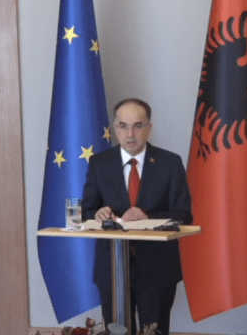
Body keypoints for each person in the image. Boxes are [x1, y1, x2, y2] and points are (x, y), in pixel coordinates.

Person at [82, 98, 192, 335]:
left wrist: (148, 215)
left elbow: (184, 215)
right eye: (123, 126)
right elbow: (86, 211)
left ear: (149, 128)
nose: (130, 134)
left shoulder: (169, 163)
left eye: (137, 126)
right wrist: (98, 214)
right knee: (116, 332)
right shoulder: (100, 163)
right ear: (115, 128)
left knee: (154, 331)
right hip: (112, 269)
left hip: (157, 268)